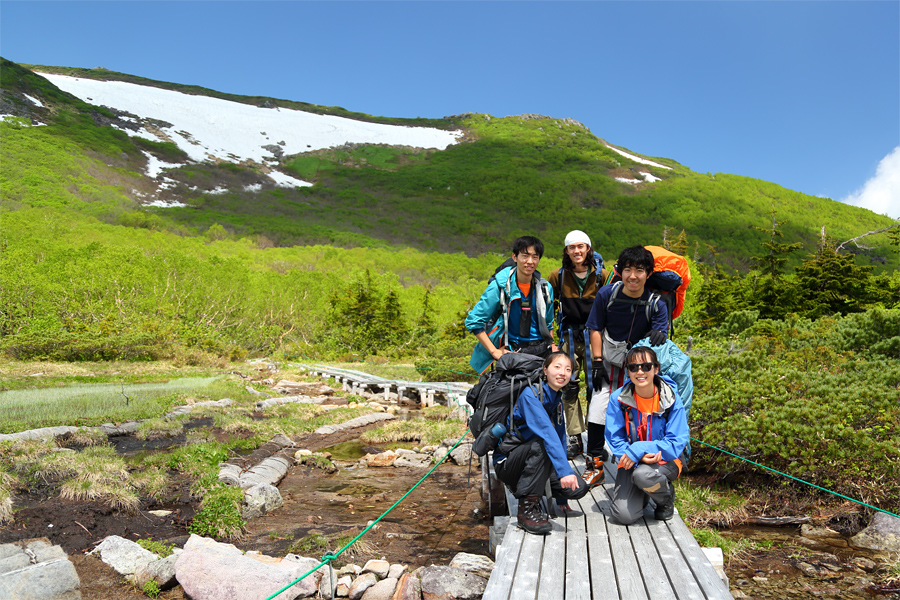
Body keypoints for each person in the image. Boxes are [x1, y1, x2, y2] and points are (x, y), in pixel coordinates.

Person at [583, 245, 669, 488]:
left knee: (638, 417)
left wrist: (660, 333)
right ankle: (596, 465)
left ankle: (640, 466)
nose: (633, 276)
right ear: (619, 271)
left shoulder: (656, 303)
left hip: (638, 371)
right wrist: (597, 362)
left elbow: (661, 334)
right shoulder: (607, 294)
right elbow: (595, 327)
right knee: (598, 409)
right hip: (609, 364)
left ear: (648, 273)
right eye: (628, 269)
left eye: (639, 270)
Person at [493, 352, 591, 534]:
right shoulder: (530, 395)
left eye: (568, 369)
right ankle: (527, 510)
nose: (563, 373)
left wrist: (564, 481)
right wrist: (563, 472)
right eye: (557, 367)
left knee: (578, 488)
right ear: (545, 370)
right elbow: (547, 435)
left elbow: (560, 439)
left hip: (535, 460)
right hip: (508, 461)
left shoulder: (557, 399)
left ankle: (534, 487)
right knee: (541, 443)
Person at [605, 346, 688, 524]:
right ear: (628, 371)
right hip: (631, 459)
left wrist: (640, 448)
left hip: (666, 459)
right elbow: (614, 438)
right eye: (633, 367)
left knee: (643, 476)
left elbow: (676, 442)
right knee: (623, 516)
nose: (639, 371)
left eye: (646, 366)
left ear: (656, 369)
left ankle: (665, 499)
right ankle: (645, 491)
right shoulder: (618, 399)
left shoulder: (671, 399)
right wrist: (635, 455)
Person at [546, 230, 608, 459]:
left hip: (595, 337)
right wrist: (550, 339)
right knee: (568, 385)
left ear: (588, 249)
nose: (577, 251)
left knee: (596, 387)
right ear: (566, 251)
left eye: (581, 246)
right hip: (568, 337)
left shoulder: (603, 275)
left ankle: (595, 435)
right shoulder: (558, 276)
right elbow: (546, 308)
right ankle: (574, 436)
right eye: (572, 247)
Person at [465, 236, 556, 375]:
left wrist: (552, 346)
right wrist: (494, 351)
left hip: (541, 351)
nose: (530, 261)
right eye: (525, 256)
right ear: (515, 257)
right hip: (512, 351)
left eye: (535, 257)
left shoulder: (545, 288)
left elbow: (548, 322)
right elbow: (474, 320)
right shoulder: (500, 287)